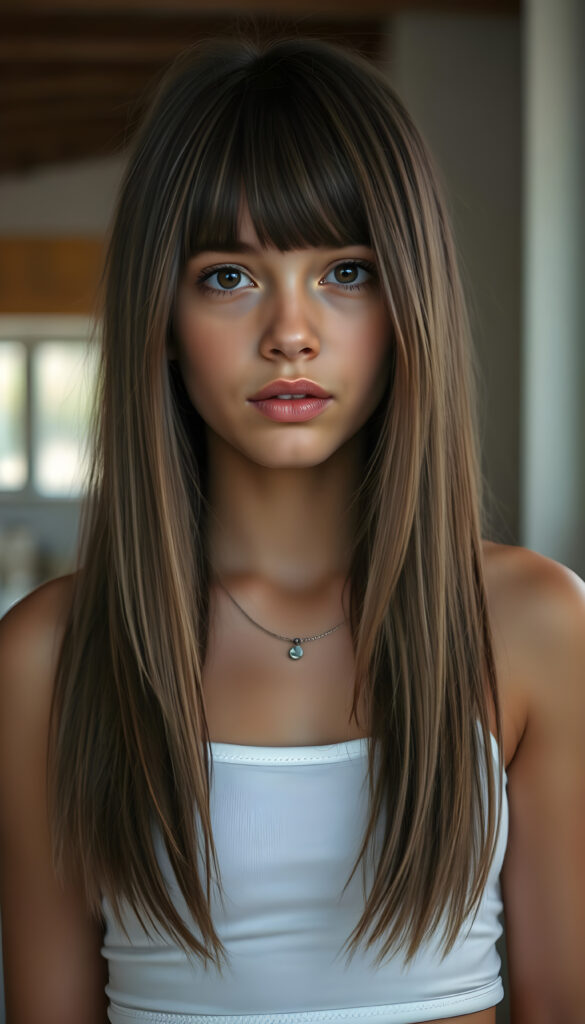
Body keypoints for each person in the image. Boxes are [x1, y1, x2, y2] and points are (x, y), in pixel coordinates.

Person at [0, 35, 584, 1024]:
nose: (291, 331)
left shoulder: (536, 622)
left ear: (410, 303)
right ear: (163, 314)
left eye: (346, 272)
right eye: (230, 276)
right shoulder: (47, 656)